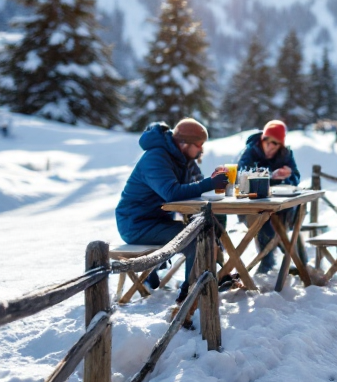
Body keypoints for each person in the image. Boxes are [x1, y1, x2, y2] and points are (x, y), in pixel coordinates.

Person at [116, 118, 228, 299]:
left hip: (159, 221)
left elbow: (196, 185)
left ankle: (214, 274)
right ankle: (191, 293)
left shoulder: (184, 159)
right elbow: (171, 193)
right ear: (184, 143)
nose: (201, 149)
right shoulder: (156, 158)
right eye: (199, 144)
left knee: (210, 224)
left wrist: (213, 181)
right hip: (136, 225)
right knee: (195, 237)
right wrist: (209, 183)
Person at [237, 120, 300, 274]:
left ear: (281, 145)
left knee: (291, 217)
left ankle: (297, 262)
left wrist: (288, 176)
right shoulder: (250, 151)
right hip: (254, 205)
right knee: (262, 220)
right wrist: (270, 176)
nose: (270, 145)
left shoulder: (286, 154)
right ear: (262, 139)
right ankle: (267, 261)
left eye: (275, 143)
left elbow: (296, 177)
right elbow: (242, 175)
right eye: (267, 140)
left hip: (280, 205)